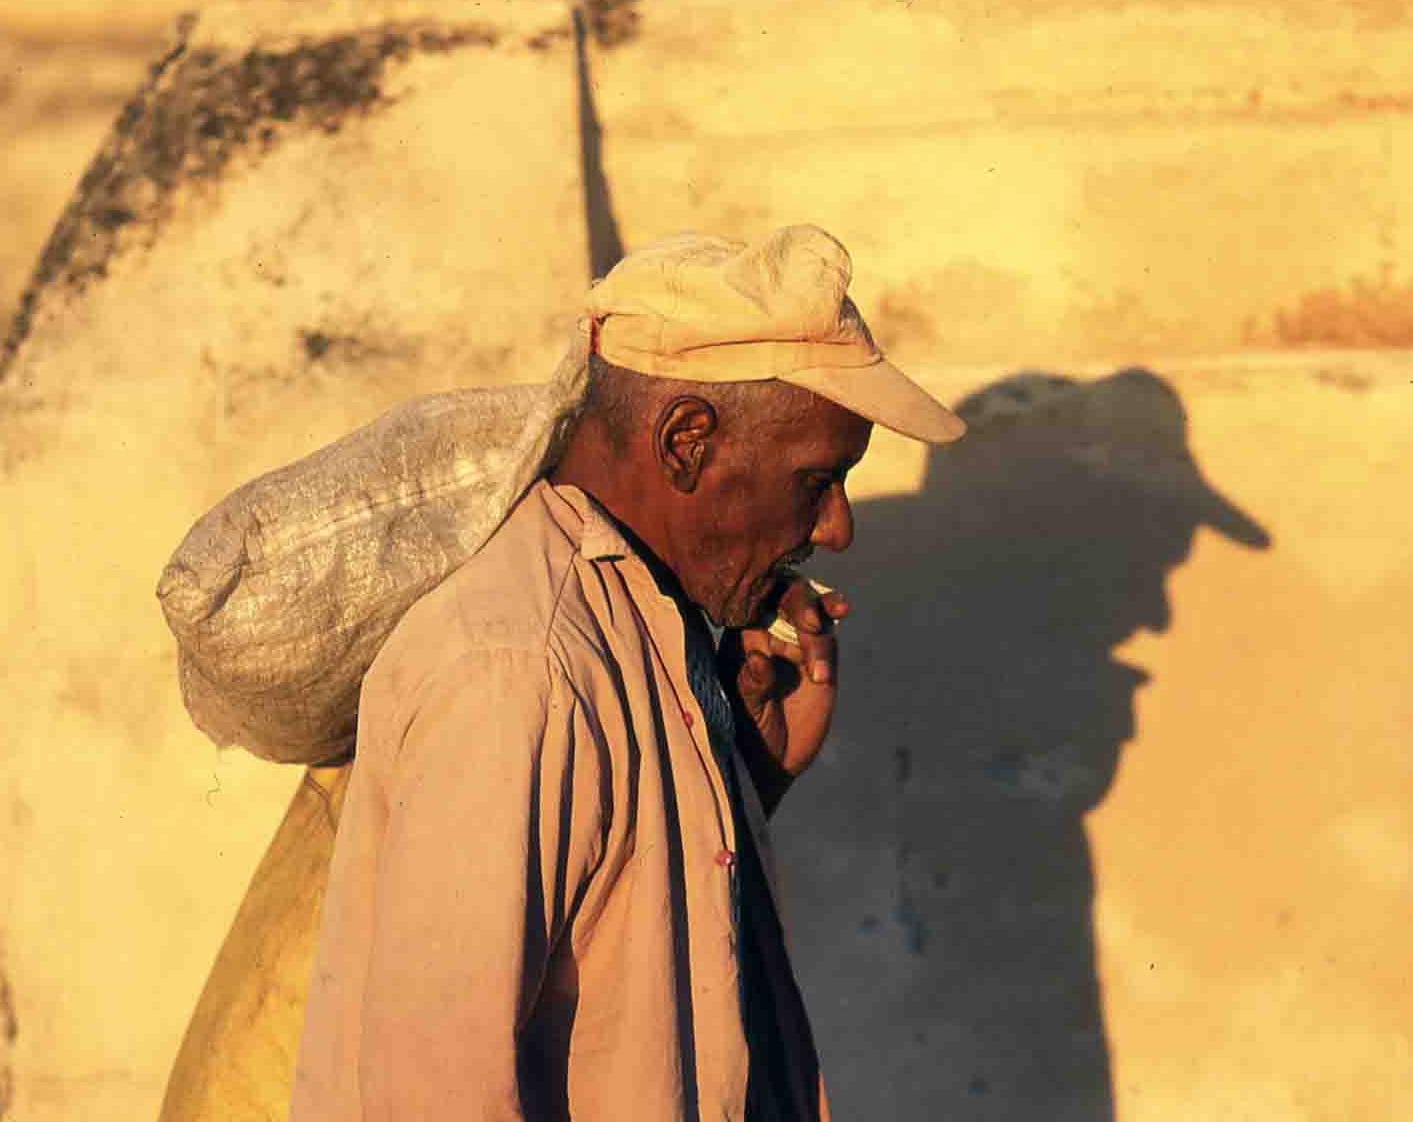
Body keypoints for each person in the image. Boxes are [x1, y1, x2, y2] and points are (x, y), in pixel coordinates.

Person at [290, 224, 966, 1121]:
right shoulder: (522, 668)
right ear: (687, 441)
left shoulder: (644, 620)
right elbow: (436, 1094)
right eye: (816, 481)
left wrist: (753, 775)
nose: (837, 528)